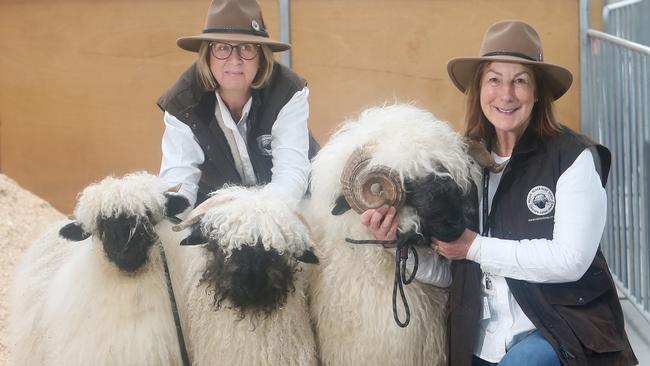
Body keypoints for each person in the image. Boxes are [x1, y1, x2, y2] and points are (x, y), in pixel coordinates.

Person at [365, 20, 638, 366]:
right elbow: (456, 272)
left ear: (537, 92)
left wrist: (475, 246)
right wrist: (394, 247)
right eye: (494, 79)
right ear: (479, 89)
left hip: (559, 333)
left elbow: (571, 260)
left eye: (519, 81)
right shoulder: (461, 164)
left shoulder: (573, 157)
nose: (506, 95)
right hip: (481, 343)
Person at [157, 0, 317, 208]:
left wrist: (256, 217)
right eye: (223, 48)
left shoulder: (288, 90)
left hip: (291, 208)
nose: (235, 60)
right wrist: (173, 214)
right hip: (220, 216)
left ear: (261, 55)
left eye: (246, 48)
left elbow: (291, 174)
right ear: (207, 55)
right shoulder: (182, 102)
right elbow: (178, 183)